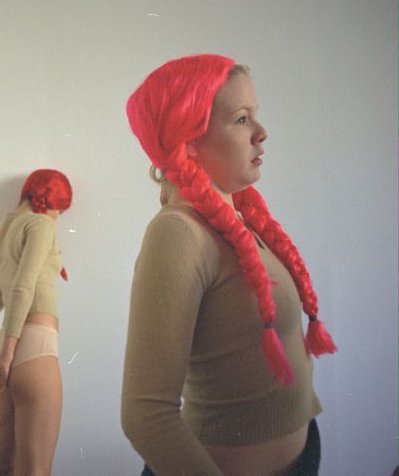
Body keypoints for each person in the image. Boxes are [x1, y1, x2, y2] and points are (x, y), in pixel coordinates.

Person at [121, 55, 336, 475]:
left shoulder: (236, 220)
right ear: (188, 141)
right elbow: (145, 416)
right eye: (241, 119)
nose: (261, 132)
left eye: (255, 115)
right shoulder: (178, 234)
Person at [0, 169, 72, 476]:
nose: (58, 218)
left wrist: (4, 353)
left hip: (2, 344)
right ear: (53, 201)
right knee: (35, 470)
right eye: (61, 211)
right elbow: (24, 286)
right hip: (31, 347)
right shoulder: (41, 224)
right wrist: (9, 355)